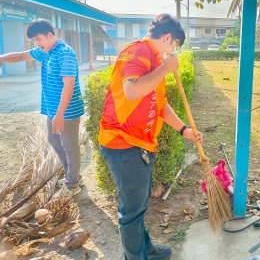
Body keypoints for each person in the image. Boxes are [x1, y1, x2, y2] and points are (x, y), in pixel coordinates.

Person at [98, 14, 202, 260]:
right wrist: (167, 68)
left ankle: (147, 250)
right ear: (168, 38)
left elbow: (160, 104)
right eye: (175, 45)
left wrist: (184, 129)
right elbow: (132, 91)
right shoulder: (136, 53)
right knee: (131, 212)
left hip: (140, 145)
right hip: (123, 144)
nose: (173, 51)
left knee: (138, 206)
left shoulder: (154, 60)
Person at [0, 19, 85, 195]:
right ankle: (73, 175)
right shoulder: (45, 52)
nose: (37, 44)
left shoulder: (64, 53)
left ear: (50, 35)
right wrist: (1, 58)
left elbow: (69, 84)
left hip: (66, 111)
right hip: (52, 109)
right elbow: (22, 56)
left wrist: (60, 114)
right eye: (34, 41)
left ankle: (73, 184)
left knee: (69, 145)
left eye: (39, 39)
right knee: (54, 140)